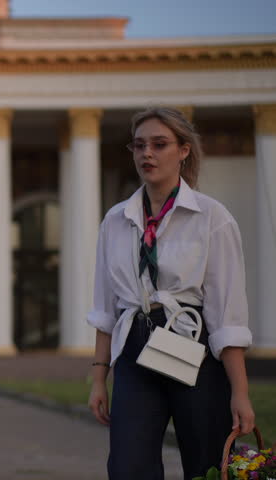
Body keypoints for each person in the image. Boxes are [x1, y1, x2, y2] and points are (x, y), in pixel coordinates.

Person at [86, 106, 255, 480]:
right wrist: (99, 378)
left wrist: (239, 392)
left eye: (159, 144)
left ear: (183, 150)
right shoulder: (116, 220)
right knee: (128, 467)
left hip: (194, 348)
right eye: (139, 145)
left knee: (207, 465)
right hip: (135, 350)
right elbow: (105, 306)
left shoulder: (213, 218)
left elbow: (228, 314)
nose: (147, 153)